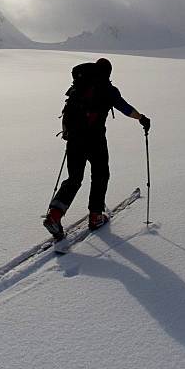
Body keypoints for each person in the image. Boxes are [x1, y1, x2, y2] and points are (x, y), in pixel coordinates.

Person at [44, 57, 150, 237]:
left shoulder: (78, 88)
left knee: (74, 179)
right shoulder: (109, 90)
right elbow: (125, 108)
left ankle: (54, 215)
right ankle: (95, 216)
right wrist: (142, 118)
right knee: (100, 174)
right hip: (96, 140)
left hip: (75, 140)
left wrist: (68, 133)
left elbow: (67, 113)